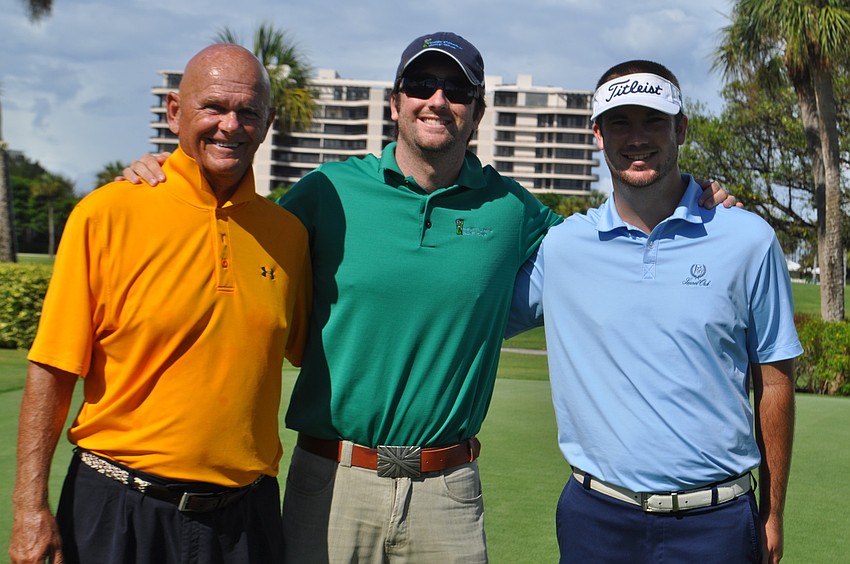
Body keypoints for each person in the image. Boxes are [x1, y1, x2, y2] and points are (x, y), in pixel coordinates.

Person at [122, 35, 734, 563]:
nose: (437, 99)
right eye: (421, 83)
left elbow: (614, 233)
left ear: (478, 113)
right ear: (396, 103)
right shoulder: (324, 193)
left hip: (448, 488)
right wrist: (170, 170)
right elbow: (233, 225)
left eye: (457, 89)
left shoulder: (512, 208)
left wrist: (697, 196)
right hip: (330, 478)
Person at [9, 43, 311, 564]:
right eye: (213, 107)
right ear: (175, 112)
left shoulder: (288, 236)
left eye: (248, 112)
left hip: (244, 521)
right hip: (117, 508)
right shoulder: (107, 213)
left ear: (268, 122)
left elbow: (314, 348)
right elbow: (52, 368)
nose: (230, 125)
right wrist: (28, 508)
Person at [509, 60, 801, 564]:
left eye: (654, 121)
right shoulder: (563, 247)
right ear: (598, 134)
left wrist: (773, 513)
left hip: (718, 520)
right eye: (621, 122)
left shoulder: (747, 238)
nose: (637, 138)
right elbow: (465, 307)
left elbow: (774, 381)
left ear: (681, 128)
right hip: (596, 518)